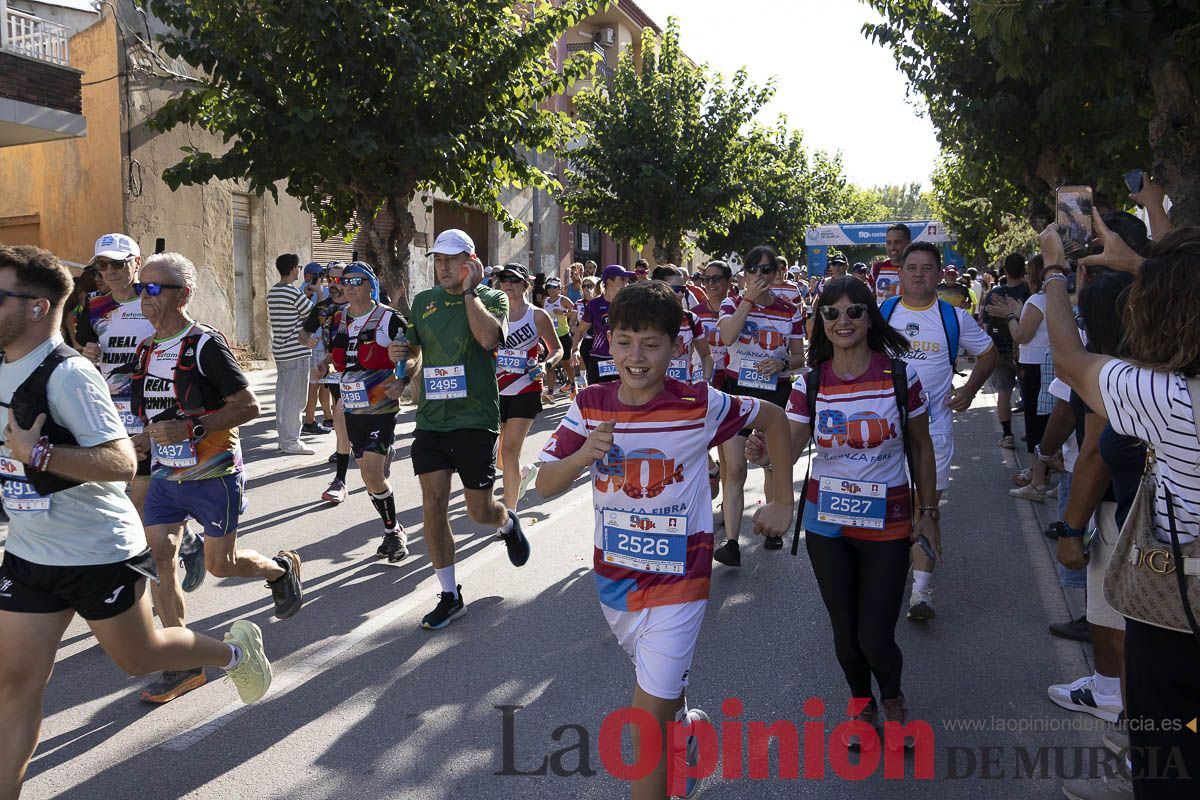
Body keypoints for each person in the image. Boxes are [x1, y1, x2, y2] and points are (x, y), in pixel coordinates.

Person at [0, 246, 271, 794]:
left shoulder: (69, 375)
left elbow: (121, 460)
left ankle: (236, 652)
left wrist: (41, 456)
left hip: (98, 550)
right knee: (14, 685)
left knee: (140, 656)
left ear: (35, 307)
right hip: (31, 549)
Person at [536, 280, 794, 800]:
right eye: (626, 341)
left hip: (681, 581)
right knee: (659, 694)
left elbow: (773, 416)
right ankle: (690, 733)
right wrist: (584, 454)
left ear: (676, 347)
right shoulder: (590, 404)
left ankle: (671, 746)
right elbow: (543, 483)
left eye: (651, 344)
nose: (636, 357)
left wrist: (783, 500)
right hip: (614, 583)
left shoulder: (699, 404)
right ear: (608, 342)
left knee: (643, 725)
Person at [1043, 215, 1200, 800]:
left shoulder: (1166, 396)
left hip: (1177, 613)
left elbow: (1068, 358)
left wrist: (1055, 271)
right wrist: (1146, 264)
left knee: (1169, 742)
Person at [748, 274, 939, 751]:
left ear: (870, 316)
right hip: (827, 524)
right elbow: (788, 445)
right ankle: (861, 706)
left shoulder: (899, 375)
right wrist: (765, 453)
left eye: (854, 310)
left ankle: (892, 698)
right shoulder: (811, 383)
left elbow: (921, 447)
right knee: (845, 633)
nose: (843, 320)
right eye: (831, 312)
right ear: (820, 322)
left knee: (876, 635)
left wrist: (928, 511)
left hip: (888, 523)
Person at [130, 252, 301, 704]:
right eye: (139, 288)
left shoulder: (204, 344)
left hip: (214, 472)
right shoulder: (146, 350)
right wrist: (142, 441)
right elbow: (151, 414)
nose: (143, 298)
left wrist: (193, 429)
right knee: (158, 558)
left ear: (183, 294)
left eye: (153, 289)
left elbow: (249, 406)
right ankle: (182, 662)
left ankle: (280, 570)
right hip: (167, 473)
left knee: (219, 565)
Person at [389, 229, 530, 630]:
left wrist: (469, 293)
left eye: (452, 260)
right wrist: (403, 366)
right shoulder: (424, 302)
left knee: (478, 511)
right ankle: (450, 595)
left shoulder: (492, 298)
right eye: (438, 260)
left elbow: (488, 339)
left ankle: (506, 522)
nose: (444, 267)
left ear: (471, 262)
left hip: (475, 418)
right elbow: (416, 354)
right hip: (433, 419)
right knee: (432, 504)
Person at [881, 242, 996, 621]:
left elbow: (989, 353)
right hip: (884, 431)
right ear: (900, 272)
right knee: (888, 510)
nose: (918, 274)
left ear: (938, 273)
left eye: (926, 268)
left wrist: (969, 390)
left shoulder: (954, 318)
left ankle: (920, 594)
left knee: (926, 507)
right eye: (911, 267)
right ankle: (886, 581)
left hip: (934, 431)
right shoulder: (882, 314)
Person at [715, 245, 806, 563]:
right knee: (736, 468)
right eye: (753, 269)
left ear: (777, 273)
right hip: (737, 391)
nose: (760, 275)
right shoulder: (732, 302)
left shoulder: (790, 308)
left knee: (770, 464)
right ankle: (731, 543)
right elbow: (727, 337)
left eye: (767, 270)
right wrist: (748, 300)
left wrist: (781, 364)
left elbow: (799, 357)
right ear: (745, 273)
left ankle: (772, 527)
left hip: (774, 393)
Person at [328, 262, 410, 560]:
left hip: (380, 407)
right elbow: (341, 358)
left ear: (370, 285)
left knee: (373, 473)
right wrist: (323, 361)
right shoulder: (340, 318)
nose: (347, 286)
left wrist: (403, 379)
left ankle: (394, 533)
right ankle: (392, 528)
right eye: (344, 281)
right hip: (351, 405)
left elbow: (410, 354)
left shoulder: (389, 319)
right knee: (368, 476)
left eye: (355, 281)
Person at [493, 263, 561, 515]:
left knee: (510, 450)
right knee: (502, 458)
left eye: (514, 279)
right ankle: (523, 473)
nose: (508, 284)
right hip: (497, 390)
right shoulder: (492, 314)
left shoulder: (537, 316)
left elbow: (556, 348)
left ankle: (509, 513)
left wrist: (545, 365)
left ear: (525, 285)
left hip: (526, 388)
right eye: (503, 279)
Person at [987, 254, 1048, 468]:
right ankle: (1040, 459)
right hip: (1029, 358)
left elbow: (1020, 335)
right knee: (1034, 405)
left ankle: (1011, 437)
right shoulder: (1036, 295)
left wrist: (1011, 315)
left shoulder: (1033, 298)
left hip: (1017, 355)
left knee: (1015, 399)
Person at [267, 253, 316, 456]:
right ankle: (291, 441)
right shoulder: (292, 293)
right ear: (293, 269)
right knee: (296, 399)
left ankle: (283, 438)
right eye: (298, 267)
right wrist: (318, 293)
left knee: (283, 397)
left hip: (281, 350)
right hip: (296, 351)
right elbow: (313, 313)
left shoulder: (273, 292)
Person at [982, 254, 1031, 448]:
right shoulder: (1029, 293)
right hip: (1025, 348)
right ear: (1024, 271)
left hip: (998, 347)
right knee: (1029, 393)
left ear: (1005, 271)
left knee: (1003, 391)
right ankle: (1031, 432)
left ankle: (1007, 434)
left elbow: (986, 323)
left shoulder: (995, 294)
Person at [572, 265, 633, 386]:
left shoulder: (629, 304)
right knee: (597, 398)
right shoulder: (594, 304)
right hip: (599, 357)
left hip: (623, 358)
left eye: (626, 279)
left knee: (623, 398)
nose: (626, 282)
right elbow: (580, 330)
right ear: (609, 282)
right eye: (622, 279)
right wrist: (575, 350)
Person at [542, 276, 577, 400]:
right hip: (550, 337)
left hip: (563, 335)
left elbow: (576, 312)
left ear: (559, 288)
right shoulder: (545, 301)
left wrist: (562, 313)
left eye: (554, 287)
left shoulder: (563, 300)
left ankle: (573, 386)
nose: (551, 289)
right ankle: (550, 392)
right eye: (548, 287)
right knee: (550, 365)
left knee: (566, 364)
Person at [870, 224, 911, 303]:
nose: (892, 247)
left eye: (897, 242)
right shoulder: (877, 268)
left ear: (909, 243)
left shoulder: (917, 269)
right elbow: (871, 299)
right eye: (888, 243)